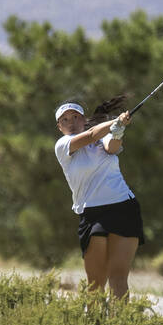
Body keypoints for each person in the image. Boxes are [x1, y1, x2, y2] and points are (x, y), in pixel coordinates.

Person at [53, 96, 143, 298]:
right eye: (65, 120)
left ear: (83, 120)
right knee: (96, 284)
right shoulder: (63, 145)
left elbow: (112, 147)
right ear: (60, 127)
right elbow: (92, 134)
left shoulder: (102, 138)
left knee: (118, 278)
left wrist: (118, 130)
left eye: (75, 117)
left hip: (123, 207)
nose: (71, 122)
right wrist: (116, 122)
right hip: (91, 213)